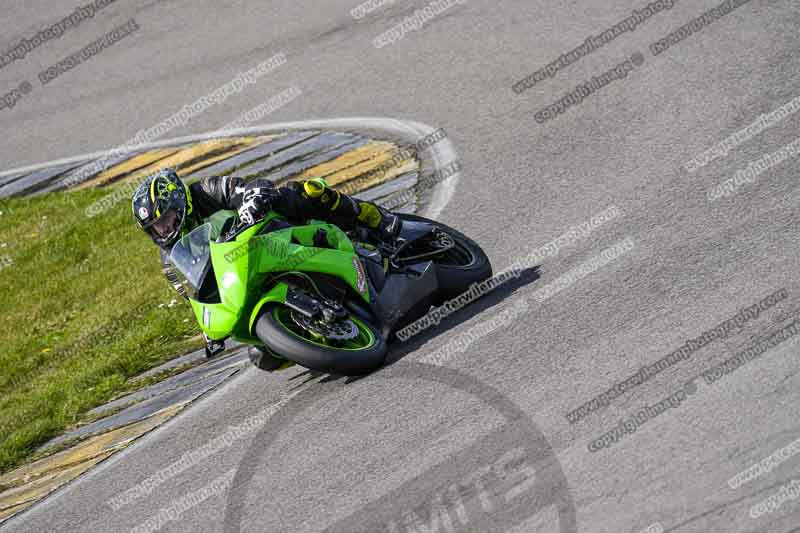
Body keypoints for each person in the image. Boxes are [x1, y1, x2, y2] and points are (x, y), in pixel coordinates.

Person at [131, 168, 400, 368]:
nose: (163, 229)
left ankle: (375, 218)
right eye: (155, 227)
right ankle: (321, 325)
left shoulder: (205, 191)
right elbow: (194, 293)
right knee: (262, 357)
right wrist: (208, 330)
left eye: (165, 219)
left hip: (266, 231)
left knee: (303, 193)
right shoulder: (170, 257)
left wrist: (251, 202)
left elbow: (246, 188)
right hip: (240, 271)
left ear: (179, 203)